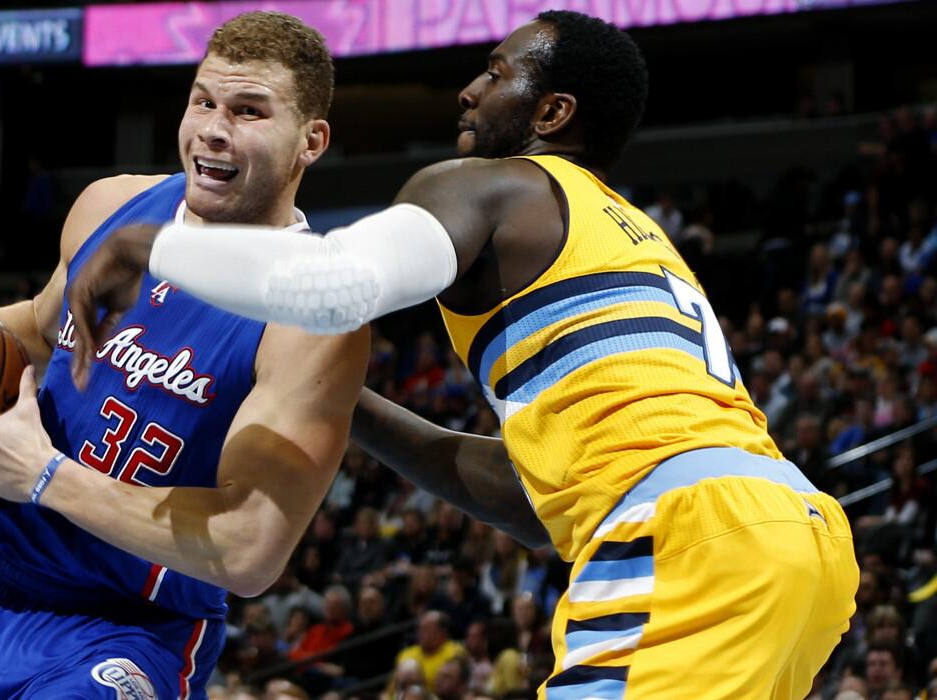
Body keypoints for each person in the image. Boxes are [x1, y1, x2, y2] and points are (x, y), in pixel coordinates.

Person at [68, 10, 859, 698]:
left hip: (686, 534)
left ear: (551, 112)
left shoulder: (492, 185)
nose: (469, 91)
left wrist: (155, 248)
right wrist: (339, 399)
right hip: (794, 537)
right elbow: (529, 503)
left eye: (494, 72)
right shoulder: (625, 236)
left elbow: (335, 283)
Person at [0, 12, 368, 699]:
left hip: (132, 628)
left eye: (248, 111)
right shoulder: (109, 206)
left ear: (311, 142)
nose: (213, 127)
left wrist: (40, 473)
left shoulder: (315, 312)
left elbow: (248, 549)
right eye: (203, 100)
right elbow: (39, 326)